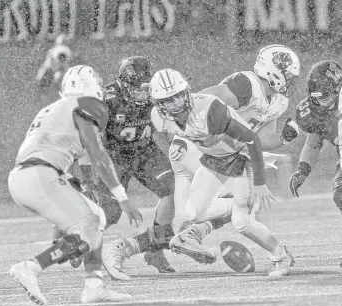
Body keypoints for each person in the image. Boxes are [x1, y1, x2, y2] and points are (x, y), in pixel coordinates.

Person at [104, 45, 300, 279]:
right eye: (287, 75)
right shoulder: (247, 85)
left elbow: (260, 139)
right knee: (234, 207)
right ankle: (190, 236)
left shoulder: (278, 101)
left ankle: (136, 246)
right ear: (273, 71)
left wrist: (283, 138)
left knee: (195, 215)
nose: (289, 81)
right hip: (201, 148)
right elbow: (204, 103)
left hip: (222, 150)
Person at [8, 65, 143, 305]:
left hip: (24, 176)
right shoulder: (88, 105)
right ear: (90, 86)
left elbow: (54, 148)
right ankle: (32, 266)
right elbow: (98, 154)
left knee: (96, 217)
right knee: (89, 230)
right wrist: (122, 197)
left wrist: (70, 182)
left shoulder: (53, 109)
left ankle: (94, 286)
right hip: (41, 175)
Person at [80, 56, 176, 278]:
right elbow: (87, 141)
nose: (143, 94)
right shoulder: (107, 99)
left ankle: (156, 248)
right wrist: (85, 179)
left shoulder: (156, 94)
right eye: (137, 89)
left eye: (145, 88)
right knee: (110, 214)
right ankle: (79, 240)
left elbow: (171, 129)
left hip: (145, 152)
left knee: (173, 188)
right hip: (114, 156)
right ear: (123, 84)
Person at [292, 60, 342, 213]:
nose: (320, 103)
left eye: (325, 98)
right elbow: (313, 143)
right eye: (316, 98)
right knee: (340, 195)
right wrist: (303, 170)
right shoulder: (312, 111)